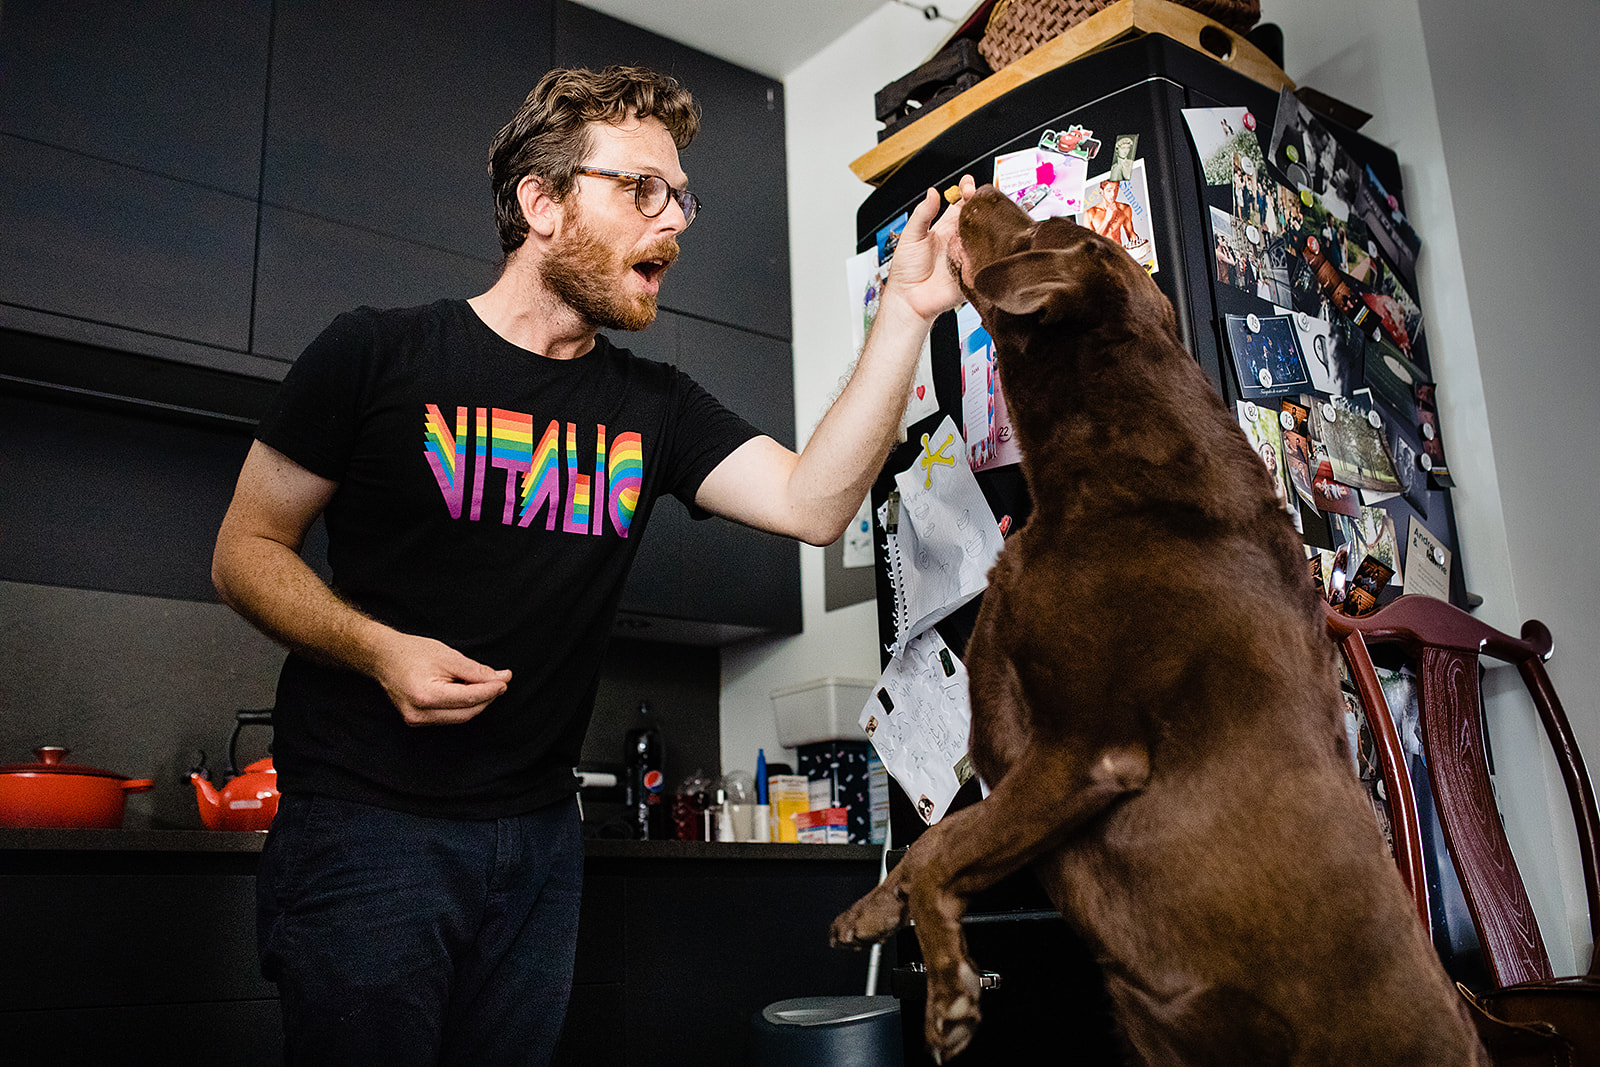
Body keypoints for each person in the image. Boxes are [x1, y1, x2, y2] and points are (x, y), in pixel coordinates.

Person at [211, 65, 974, 1066]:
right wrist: (377, 648)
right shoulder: (375, 354)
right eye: (640, 189)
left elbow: (814, 504)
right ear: (542, 202)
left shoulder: (653, 405)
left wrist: (906, 316)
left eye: (681, 195)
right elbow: (243, 550)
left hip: (536, 842)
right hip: (366, 829)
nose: (675, 221)